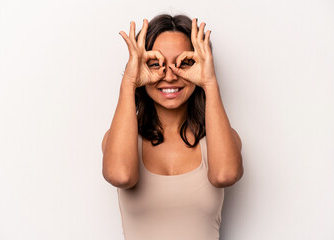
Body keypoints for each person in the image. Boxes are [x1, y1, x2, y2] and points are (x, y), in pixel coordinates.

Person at [102, 14, 243, 240]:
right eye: (155, 64)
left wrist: (209, 82)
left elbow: (225, 175)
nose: (169, 76)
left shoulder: (220, 139)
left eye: (183, 63)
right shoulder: (120, 139)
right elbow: (120, 176)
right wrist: (128, 82)